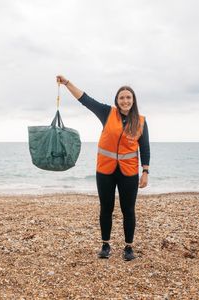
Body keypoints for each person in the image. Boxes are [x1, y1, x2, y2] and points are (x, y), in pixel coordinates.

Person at [56, 75, 150, 261]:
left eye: (128, 98)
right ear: (117, 100)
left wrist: (145, 171)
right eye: (122, 97)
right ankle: (105, 245)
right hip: (105, 171)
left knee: (128, 210)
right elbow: (85, 100)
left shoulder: (140, 121)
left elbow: (145, 147)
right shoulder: (107, 113)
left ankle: (128, 248)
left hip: (129, 173)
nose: (125, 101)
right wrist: (67, 83)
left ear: (133, 101)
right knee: (106, 208)